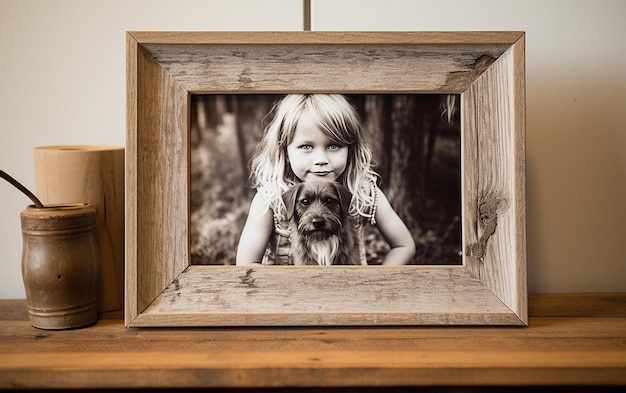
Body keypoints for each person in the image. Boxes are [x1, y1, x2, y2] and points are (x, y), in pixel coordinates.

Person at [235, 94, 415, 266]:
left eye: (334, 145)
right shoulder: (270, 199)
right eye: (306, 146)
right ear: (285, 151)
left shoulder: (363, 192)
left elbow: (404, 246)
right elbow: (246, 264)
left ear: (350, 149)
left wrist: (374, 283)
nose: (321, 159)